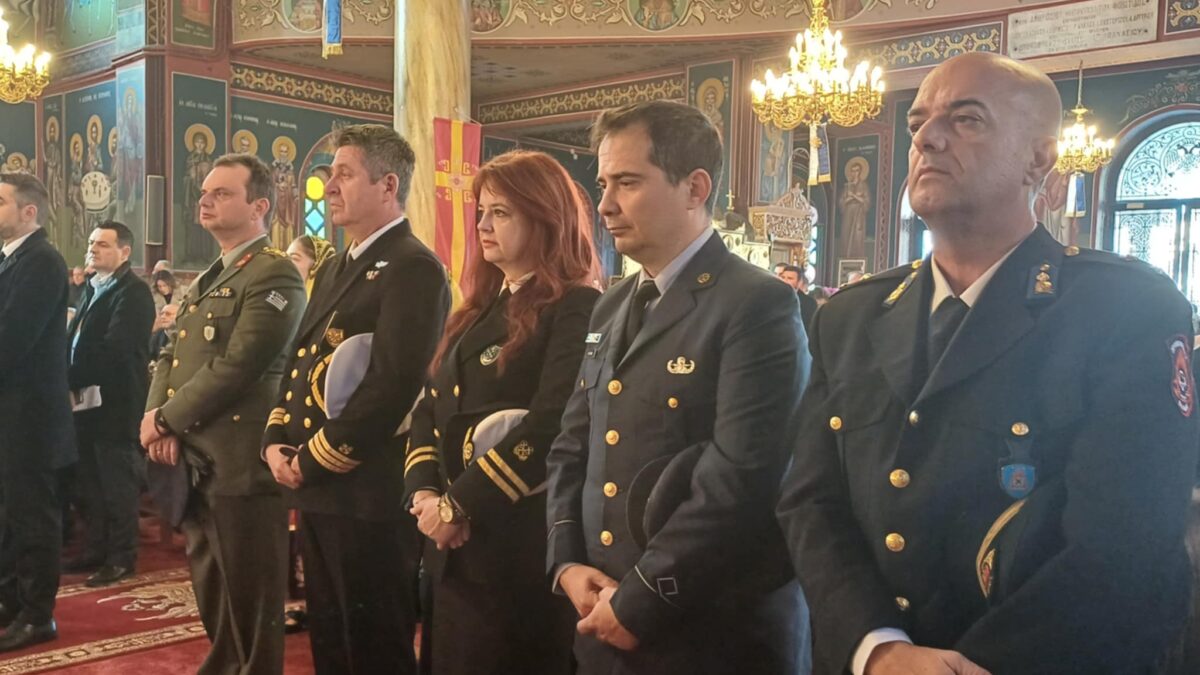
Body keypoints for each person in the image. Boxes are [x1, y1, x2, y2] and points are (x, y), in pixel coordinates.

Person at [776, 52, 1200, 675]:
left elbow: (1124, 544)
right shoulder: (853, 316)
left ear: (1038, 159)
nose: (927, 138)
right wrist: (879, 647)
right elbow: (811, 503)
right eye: (918, 122)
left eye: (966, 119)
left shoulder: (1123, 308)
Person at [545, 100, 811, 674]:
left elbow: (742, 476)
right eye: (604, 184)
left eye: (628, 182)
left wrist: (639, 600)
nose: (605, 204)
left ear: (694, 188)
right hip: (601, 615)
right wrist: (566, 562)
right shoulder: (611, 304)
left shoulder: (755, 303)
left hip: (706, 630)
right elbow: (573, 443)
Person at [262, 124, 450, 675]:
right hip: (320, 487)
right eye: (330, 175)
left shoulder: (413, 266)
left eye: (344, 174)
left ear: (388, 185)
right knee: (331, 637)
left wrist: (315, 459)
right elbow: (300, 360)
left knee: (373, 645)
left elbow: (394, 385)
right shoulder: (338, 264)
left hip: (366, 489)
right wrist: (275, 437)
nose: (329, 186)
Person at [404, 150, 602, 675]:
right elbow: (430, 409)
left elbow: (552, 423)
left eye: (501, 212)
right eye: (482, 212)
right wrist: (424, 494)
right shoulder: (481, 308)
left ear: (544, 218)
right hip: (451, 544)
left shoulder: (575, 305)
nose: (483, 226)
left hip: (513, 544)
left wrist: (458, 506)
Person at [143, 153, 306, 675]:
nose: (205, 201)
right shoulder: (210, 276)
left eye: (222, 193)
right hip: (196, 452)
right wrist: (159, 416)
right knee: (211, 583)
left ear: (259, 206)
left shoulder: (274, 272)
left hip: (240, 456)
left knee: (250, 592)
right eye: (204, 193)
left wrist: (167, 420)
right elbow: (172, 354)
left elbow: (240, 365)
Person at [0, 172, 76, 651]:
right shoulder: (11, 259)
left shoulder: (42, 261)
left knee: (32, 518)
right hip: (10, 414)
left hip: (30, 419)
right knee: (9, 518)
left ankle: (37, 615)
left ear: (29, 212)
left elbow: (11, 339)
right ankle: (11, 601)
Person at [66, 221, 156, 587]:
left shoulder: (133, 292)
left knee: (117, 484)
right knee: (91, 482)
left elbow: (115, 351)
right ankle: (96, 549)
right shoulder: (92, 287)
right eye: (91, 242)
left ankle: (121, 558)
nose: (93, 249)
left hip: (117, 403)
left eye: (103, 244)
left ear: (124, 252)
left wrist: (68, 376)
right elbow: (77, 339)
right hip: (86, 405)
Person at [779, 263, 818, 329]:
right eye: (783, 277)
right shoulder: (773, 298)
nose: (785, 281)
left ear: (799, 282)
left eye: (790, 278)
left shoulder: (809, 303)